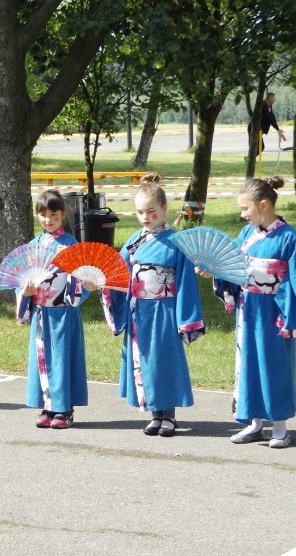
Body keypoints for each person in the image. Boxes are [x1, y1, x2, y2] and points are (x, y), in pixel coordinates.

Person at [204, 176, 296, 449]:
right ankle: (253, 423)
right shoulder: (246, 235)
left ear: (263, 205)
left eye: (245, 209)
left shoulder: (289, 238)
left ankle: (279, 426)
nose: (242, 215)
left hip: (274, 311)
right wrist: (215, 272)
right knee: (248, 364)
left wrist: (292, 315)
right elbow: (233, 266)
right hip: (249, 309)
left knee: (275, 365)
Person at [97, 174, 205, 436]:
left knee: (164, 360)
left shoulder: (177, 242)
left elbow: (185, 282)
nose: (146, 217)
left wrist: (185, 318)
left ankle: (169, 415)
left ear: (165, 210)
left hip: (164, 310)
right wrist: (101, 282)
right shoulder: (134, 241)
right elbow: (118, 273)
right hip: (139, 312)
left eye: (151, 212)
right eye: (140, 212)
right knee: (144, 360)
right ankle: (155, 413)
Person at [17, 189, 92, 429]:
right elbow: (20, 280)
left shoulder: (71, 245)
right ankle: (47, 406)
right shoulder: (33, 246)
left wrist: (81, 287)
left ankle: (64, 409)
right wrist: (25, 293)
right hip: (41, 312)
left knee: (62, 359)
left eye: (54, 214)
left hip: (64, 312)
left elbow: (81, 278)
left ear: (64, 214)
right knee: (42, 358)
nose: (48, 219)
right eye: (43, 214)